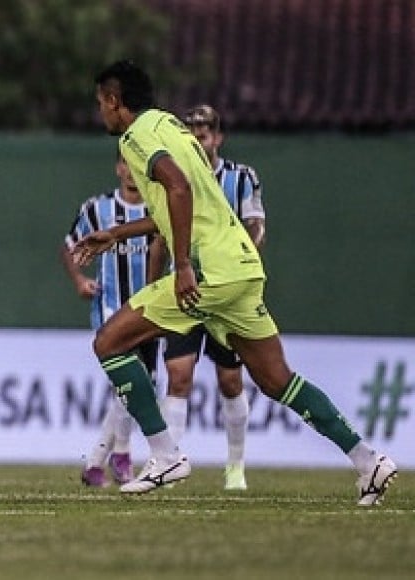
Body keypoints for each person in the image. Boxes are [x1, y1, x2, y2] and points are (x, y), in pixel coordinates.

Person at [70, 60, 397, 505]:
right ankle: (368, 461)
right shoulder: (169, 125)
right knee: (277, 379)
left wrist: (182, 264)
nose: (100, 113)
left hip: (208, 271)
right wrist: (116, 232)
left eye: (100, 104)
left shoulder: (137, 137)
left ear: (114, 101)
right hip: (241, 267)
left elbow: (180, 189)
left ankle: (165, 454)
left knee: (109, 341)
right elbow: (180, 201)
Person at [156, 104, 266, 491]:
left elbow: (256, 226)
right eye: (190, 134)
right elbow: (160, 233)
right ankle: (168, 465)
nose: (197, 140)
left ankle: (235, 467)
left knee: (230, 380)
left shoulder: (240, 178)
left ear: (217, 138)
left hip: (226, 288)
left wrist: (239, 262)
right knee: (178, 375)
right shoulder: (172, 176)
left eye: (202, 134)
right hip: (185, 287)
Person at [61, 155, 159, 487]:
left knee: (139, 383)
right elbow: (69, 246)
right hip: (111, 307)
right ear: (118, 168)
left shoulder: (158, 208)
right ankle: (115, 455)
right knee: (129, 381)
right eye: (126, 166)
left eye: (138, 167)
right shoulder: (97, 209)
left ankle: (103, 460)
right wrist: (79, 281)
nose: (131, 174)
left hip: (152, 308)